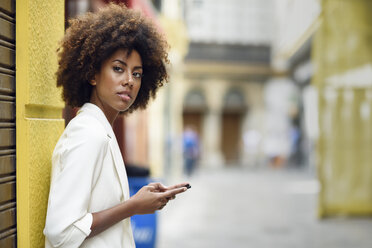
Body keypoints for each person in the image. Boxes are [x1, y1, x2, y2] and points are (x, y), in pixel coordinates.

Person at [43, 4, 189, 248]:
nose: (129, 81)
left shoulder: (101, 131)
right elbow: (62, 232)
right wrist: (133, 206)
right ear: (92, 74)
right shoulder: (89, 134)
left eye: (137, 73)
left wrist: (139, 199)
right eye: (118, 68)